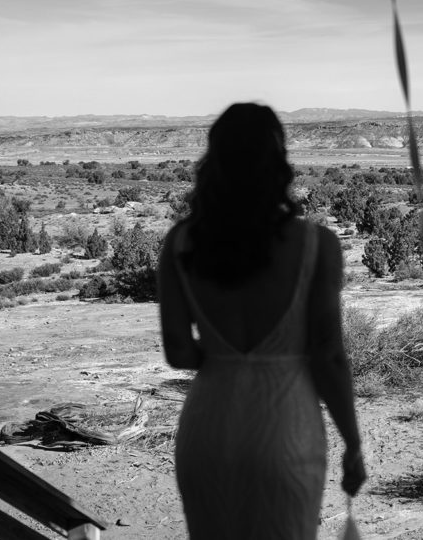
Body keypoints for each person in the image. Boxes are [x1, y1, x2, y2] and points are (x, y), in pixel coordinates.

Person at [157, 103, 366, 539]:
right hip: (285, 425)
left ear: (213, 161)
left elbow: (178, 352)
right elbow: (328, 357)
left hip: (209, 426)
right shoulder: (315, 245)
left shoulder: (180, 243)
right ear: (277, 162)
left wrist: (224, 359)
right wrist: (353, 442)